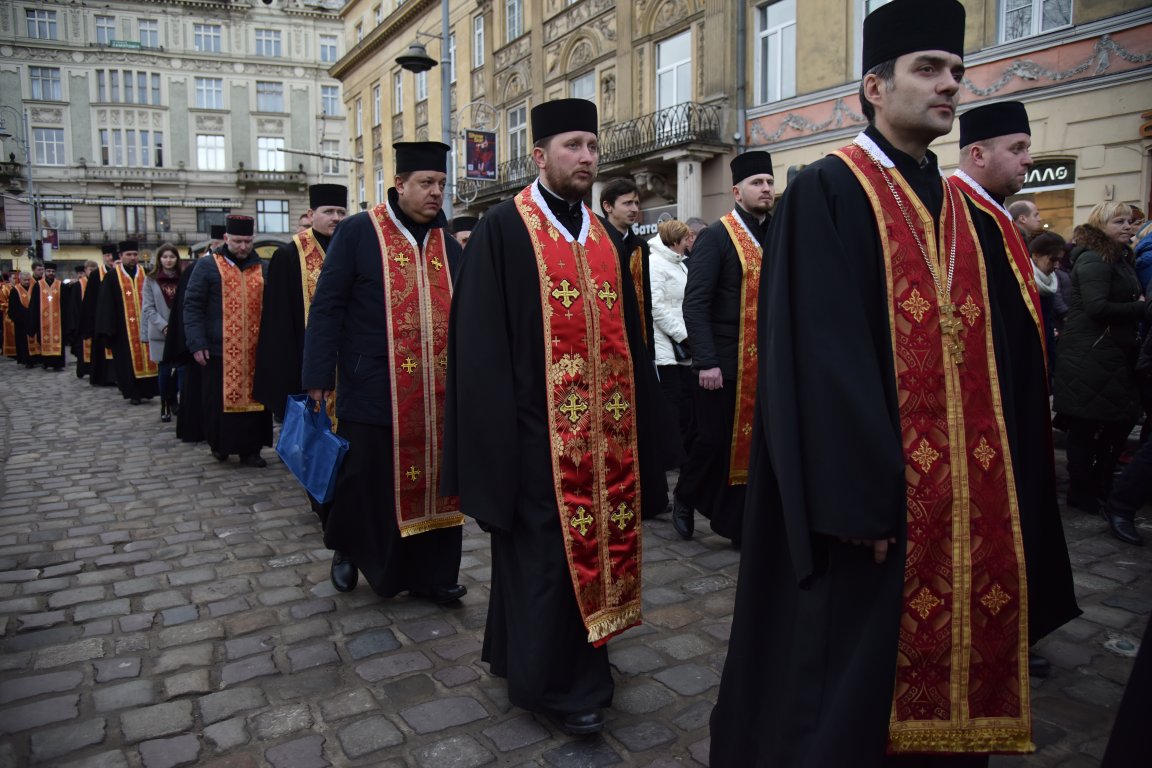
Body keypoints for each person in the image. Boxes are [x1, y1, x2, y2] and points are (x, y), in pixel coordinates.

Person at [711, 1, 1035, 764]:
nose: (950, 85)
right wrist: (852, 496)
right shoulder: (829, 189)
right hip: (869, 503)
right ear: (875, 87)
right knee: (851, 677)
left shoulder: (959, 205)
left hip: (957, 494)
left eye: (956, 70)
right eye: (928, 69)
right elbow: (820, 355)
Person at [442, 99, 678, 736]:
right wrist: (498, 449)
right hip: (533, 439)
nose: (587, 157)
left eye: (593, 146)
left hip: (606, 441)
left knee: (598, 553)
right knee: (545, 561)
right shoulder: (505, 228)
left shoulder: (602, 235)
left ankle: (556, 656)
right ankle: (556, 686)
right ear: (540, 155)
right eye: (573, 145)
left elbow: (629, 337)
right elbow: (480, 348)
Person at [949, 101, 1080, 677]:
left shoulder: (992, 212)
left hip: (1014, 401)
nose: (1028, 160)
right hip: (984, 407)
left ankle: (1015, 627)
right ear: (978, 154)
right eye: (1018, 149)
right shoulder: (957, 210)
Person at [301, 144, 465, 599]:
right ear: (400, 185)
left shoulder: (447, 245)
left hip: (437, 393)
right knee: (366, 481)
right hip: (371, 386)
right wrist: (317, 379)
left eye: (442, 185)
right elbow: (327, 306)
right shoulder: (358, 232)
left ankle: (433, 576)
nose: (436, 193)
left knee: (437, 481)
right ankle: (349, 549)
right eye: (426, 184)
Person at [675, 150, 774, 544]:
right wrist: (707, 362)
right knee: (713, 441)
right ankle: (685, 496)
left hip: (764, 362)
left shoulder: (776, 230)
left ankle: (739, 522)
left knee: (755, 446)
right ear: (736, 190)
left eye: (769, 182)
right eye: (757, 183)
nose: (766, 189)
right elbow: (695, 303)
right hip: (723, 363)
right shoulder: (717, 236)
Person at [1052, 202, 1147, 513]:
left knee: (1110, 426)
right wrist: (1143, 307)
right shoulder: (1095, 258)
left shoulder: (1118, 257)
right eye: (1118, 221)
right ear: (1100, 225)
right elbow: (1097, 307)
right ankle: (1083, 491)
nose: (1127, 226)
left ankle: (1098, 486)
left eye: (1129, 222)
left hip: (1108, 354)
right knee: (1086, 428)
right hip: (1090, 355)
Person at [183, 215, 273, 467]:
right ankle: (220, 445)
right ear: (226, 239)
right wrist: (196, 342)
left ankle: (251, 450)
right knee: (218, 402)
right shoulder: (208, 266)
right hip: (218, 348)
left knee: (255, 402)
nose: (243, 247)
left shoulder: (263, 267)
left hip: (256, 349)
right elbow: (192, 306)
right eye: (237, 241)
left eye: (247, 241)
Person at [254, 184, 348, 421]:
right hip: (301, 357)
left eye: (341, 212)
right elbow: (279, 319)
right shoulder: (288, 255)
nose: (336, 218)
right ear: (310, 214)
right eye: (328, 212)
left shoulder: (351, 247)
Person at [648, 218, 695, 455]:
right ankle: (670, 456)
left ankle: (679, 453)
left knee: (684, 403)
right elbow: (656, 307)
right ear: (676, 240)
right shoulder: (655, 263)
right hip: (667, 347)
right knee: (672, 403)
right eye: (687, 237)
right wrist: (684, 336)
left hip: (681, 346)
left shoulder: (680, 264)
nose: (690, 241)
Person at [96, 241, 159, 404]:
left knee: (150, 359)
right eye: (128, 255)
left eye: (134, 254)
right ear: (121, 256)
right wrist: (109, 329)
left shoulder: (147, 273)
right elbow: (105, 305)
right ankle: (133, 394)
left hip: (147, 327)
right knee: (126, 363)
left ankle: (148, 391)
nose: (132, 258)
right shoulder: (112, 277)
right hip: (123, 330)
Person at [599, 177, 655, 361]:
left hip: (636, 339)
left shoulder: (640, 247)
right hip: (605, 341)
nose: (634, 209)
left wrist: (650, 353)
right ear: (608, 207)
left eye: (636, 203)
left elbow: (646, 301)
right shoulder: (594, 243)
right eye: (627, 203)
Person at [142, 243, 183, 423]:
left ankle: (176, 400)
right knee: (165, 371)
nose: (168, 260)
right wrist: (164, 326)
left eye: (172, 257)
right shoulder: (151, 280)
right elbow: (148, 308)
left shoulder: (183, 277)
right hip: (161, 332)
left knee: (181, 369)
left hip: (180, 331)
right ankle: (165, 403)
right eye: (165, 257)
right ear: (159, 259)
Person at [82, 245, 118, 386]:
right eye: (107, 255)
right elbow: (89, 301)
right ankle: (104, 378)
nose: (110, 259)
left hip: (118, 318)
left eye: (112, 256)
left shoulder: (120, 273)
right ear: (103, 257)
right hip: (100, 319)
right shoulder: (96, 275)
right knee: (102, 350)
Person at [28, 260, 67, 370]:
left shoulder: (60, 286)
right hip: (42, 320)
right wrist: (33, 320)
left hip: (58, 320)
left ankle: (58, 364)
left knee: (59, 341)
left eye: (53, 271)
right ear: (45, 272)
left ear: (55, 272)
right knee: (43, 340)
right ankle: (46, 363)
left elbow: (65, 304)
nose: (51, 273)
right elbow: (33, 305)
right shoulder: (38, 286)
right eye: (48, 271)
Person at [7, 271, 34, 367]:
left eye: (28, 280)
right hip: (21, 322)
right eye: (25, 280)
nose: (27, 282)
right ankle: (25, 360)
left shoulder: (33, 288)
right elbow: (12, 308)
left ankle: (35, 358)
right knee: (23, 342)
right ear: (20, 279)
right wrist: (19, 317)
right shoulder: (15, 290)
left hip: (31, 319)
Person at [1, 273, 15, 359]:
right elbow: (1, 302)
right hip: (8, 314)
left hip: (19, 314)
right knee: (11, 333)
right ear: (9, 279)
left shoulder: (19, 287)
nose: (15, 280)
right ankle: (11, 352)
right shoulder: (5, 288)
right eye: (14, 278)